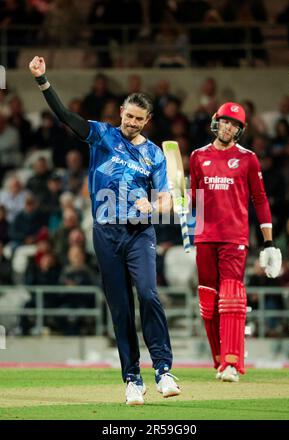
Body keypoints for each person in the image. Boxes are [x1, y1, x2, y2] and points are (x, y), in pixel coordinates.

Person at [29, 56, 180, 405]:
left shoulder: (155, 156)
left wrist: (153, 206)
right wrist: (42, 81)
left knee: (148, 295)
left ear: (147, 121)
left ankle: (164, 371)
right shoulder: (102, 134)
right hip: (106, 232)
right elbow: (67, 118)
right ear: (122, 112)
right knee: (121, 308)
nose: (130, 123)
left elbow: (166, 202)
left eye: (138, 119)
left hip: (140, 233)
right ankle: (132, 379)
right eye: (128, 116)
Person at [190, 102, 282, 382]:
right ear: (216, 122)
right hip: (205, 237)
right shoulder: (197, 157)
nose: (229, 127)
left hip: (234, 238)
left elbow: (260, 199)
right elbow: (194, 200)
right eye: (225, 121)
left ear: (240, 130)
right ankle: (219, 360)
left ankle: (233, 363)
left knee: (231, 296)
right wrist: (180, 204)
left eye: (235, 124)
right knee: (208, 299)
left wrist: (268, 242)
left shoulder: (248, 159)